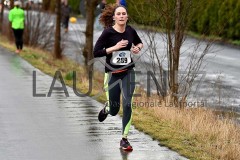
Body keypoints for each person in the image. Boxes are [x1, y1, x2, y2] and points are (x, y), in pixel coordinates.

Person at [93, 4, 143, 151]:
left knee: (128, 104)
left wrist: (137, 48)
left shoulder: (130, 31)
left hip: (128, 72)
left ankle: (124, 139)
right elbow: (96, 52)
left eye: (124, 14)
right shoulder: (107, 33)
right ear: (114, 17)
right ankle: (107, 109)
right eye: (119, 14)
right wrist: (115, 47)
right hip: (112, 75)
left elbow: (139, 42)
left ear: (127, 17)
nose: (121, 16)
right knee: (115, 110)